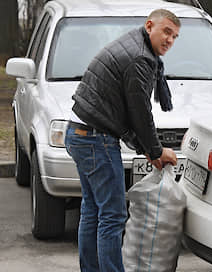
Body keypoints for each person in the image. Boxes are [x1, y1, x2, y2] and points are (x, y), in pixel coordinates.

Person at [64, 9, 180, 272]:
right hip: (95, 138)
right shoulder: (141, 58)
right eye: (166, 32)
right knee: (113, 215)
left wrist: (149, 151)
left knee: (93, 210)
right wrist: (156, 150)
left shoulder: (136, 45)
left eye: (174, 36)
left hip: (80, 132)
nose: (170, 40)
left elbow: (126, 110)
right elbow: (139, 112)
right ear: (149, 26)